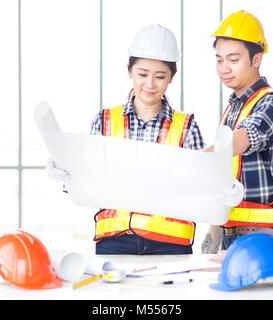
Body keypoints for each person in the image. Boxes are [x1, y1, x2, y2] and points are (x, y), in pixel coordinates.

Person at [48, 24, 239, 255]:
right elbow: (87, 182)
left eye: (160, 76)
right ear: (129, 71)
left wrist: (223, 189)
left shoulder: (186, 126)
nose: (150, 84)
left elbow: (203, 184)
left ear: (171, 78)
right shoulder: (105, 121)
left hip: (171, 245)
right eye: (142, 74)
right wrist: (66, 171)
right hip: (115, 242)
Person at [201, 10, 273, 253]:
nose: (224, 68)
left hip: (269, 236)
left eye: (233, 60)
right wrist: (214, 231)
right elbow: (225, 178)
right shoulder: (232, 110)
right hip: (232, 233)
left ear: (256, 59)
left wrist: (195, 159)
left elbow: (245, 138)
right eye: (219, 59)